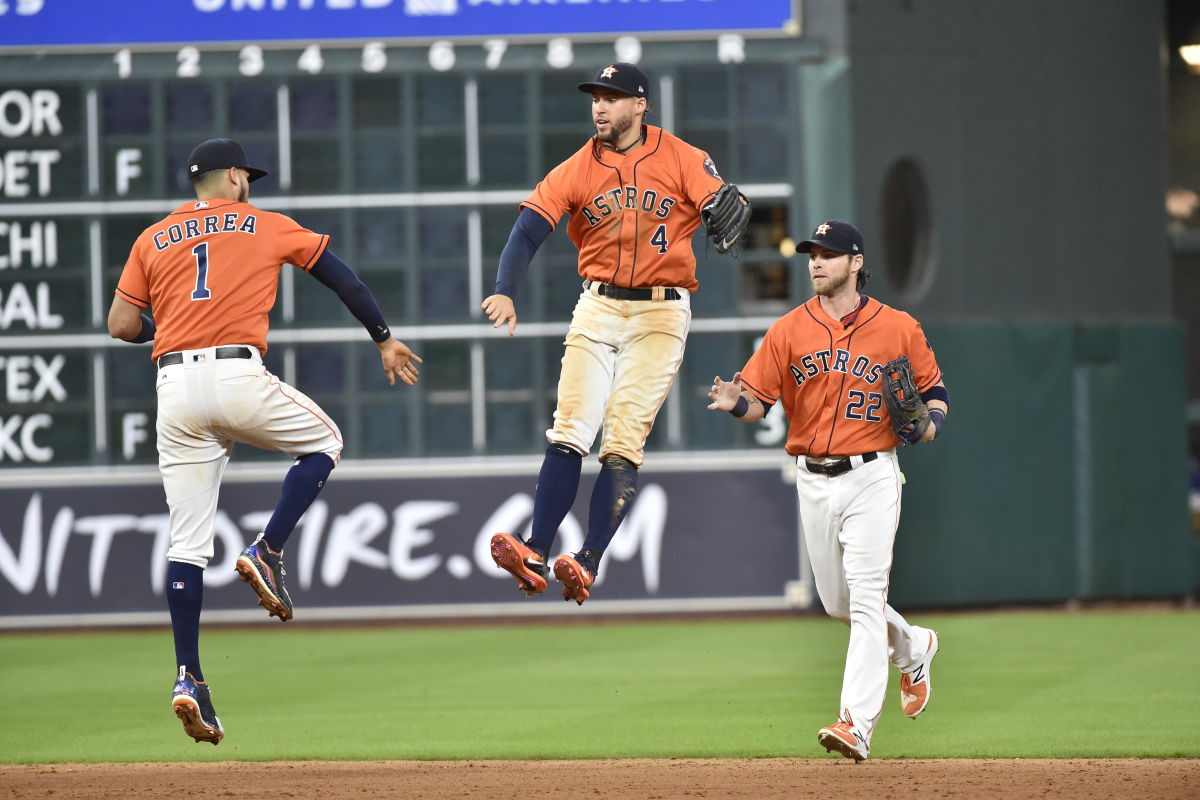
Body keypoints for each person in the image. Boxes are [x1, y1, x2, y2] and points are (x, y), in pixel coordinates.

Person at [107, 138, 422, 745]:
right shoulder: (264, 224)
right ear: (231, 176)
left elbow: (121, 324)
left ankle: (188, 677)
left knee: (187, 544)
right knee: (325, 442)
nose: (249, 182)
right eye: (246, 174)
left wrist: (162, 328)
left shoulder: (152, 238)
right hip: (234, 371)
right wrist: (383, 336)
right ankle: (268, 550)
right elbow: (342, 278)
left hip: (172, 383)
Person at [482, 62, 751, 605]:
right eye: (596, 97)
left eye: (612, 97)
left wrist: (720, 198)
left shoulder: (680, 157)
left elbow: (723, 201)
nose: (600, 106)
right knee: (569, 428)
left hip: (660, 313)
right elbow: (527, 230)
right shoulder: (578, 167)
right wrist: (505, 288)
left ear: (640, 105)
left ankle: (588, 561)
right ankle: (536, 549)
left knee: (622, 441)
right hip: (598, 306)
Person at [706, 219, 948, 762]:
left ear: (856, 263)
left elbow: (934, 395)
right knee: (837, 604)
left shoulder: (899, 327)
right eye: (812, 254)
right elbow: (758, 402)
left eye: (828, 254)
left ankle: (856, 724)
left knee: (864, 601)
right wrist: (734, 404)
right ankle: (913, 647)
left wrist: (928, 425)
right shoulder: (789, 329)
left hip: (871, 476)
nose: (815, 262)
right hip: (813, 479)